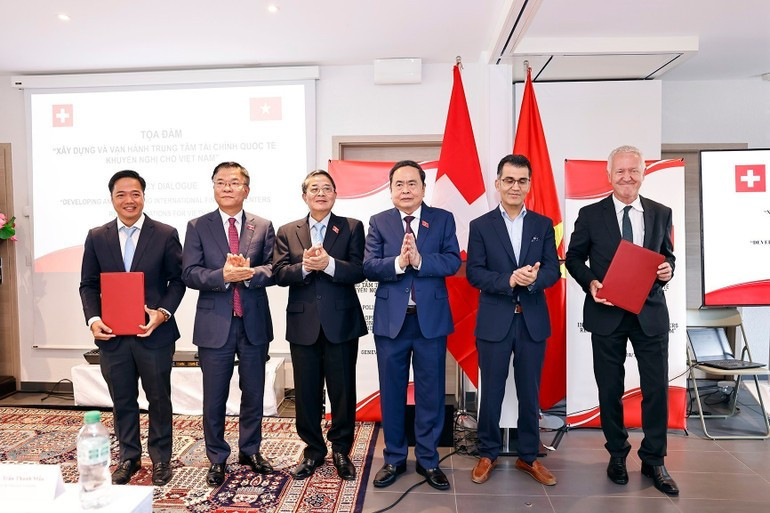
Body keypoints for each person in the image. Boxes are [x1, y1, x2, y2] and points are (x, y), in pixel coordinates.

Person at [565, 145, 678, 496]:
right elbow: (573, 259)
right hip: (607, 313)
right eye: (620, 171)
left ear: (643, 173)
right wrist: (591, 283)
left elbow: (667, 257)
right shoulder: (589, 213)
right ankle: (617, 454)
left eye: (634, 171)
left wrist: (667, 269)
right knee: (610, 390)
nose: (627, 177)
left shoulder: (661, 212)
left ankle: (654, 459)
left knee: (656, 390)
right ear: (609, 175)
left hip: (650, 314)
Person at [79, 170, 185, 487]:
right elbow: (87, 285)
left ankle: (161, 460)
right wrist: (93, 319)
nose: (129, 200)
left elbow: (178, 281)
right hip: (112, 336)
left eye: (135, 193)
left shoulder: (165, 233)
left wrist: (163, 313)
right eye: (122, 194)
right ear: (112, 198)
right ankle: (129, 457)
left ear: (143, 196)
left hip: (154, 334)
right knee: (122, 399)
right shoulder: (97, 236)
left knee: (159, 398)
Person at [363, 160, 461, 491]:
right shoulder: (379, 222)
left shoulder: (442, 220)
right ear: (391, 190)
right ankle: (393, 458)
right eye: (399, 184)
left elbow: (452, 260)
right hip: (392, 323)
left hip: (429, 322)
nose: (406, 190)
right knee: (391, 392)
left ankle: (428, 460)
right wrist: (398, 263)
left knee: (430, 392)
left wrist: (419, 260)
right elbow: (369, 266)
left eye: (412, 184)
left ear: (423, 188)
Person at [466, 154, 560, 486]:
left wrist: (532, 280)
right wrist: (509, 280)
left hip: (532, 321)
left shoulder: (543, 225)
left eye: (522, 181)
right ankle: (487, 453)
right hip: (495, 321)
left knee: (529, 391)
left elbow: (553, 269)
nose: (515, 186)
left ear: (529, 185)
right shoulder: (480, 226)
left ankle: (529, 456)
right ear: (498, 184)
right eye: (509, 180)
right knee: (490, 390)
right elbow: (474, 273)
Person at [182, 161, 276, 487]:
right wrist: (222, 276)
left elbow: (273, 269)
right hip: (214, 324)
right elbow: (190, 273)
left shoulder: (262, 226)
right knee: (214, 396)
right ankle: (217, 458)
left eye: (234, 182)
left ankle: (250, 450)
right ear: (213, 188)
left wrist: (248, 274)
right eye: (220, 182)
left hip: (253, 324)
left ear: (245, 189)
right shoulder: (197, 226)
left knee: (253, 392)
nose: (227, 187)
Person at [273, 170, 367, 481]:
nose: (321, 193)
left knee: (342, 391)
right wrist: (304, 267)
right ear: (304, 196)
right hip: (303, 323)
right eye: (314, 188)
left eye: (327, 188)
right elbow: (279, 273)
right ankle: (313, 450)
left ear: (335, 195)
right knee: (306, 391)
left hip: (341, 322)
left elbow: (359, 271)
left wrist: (329, 265)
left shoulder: (352, 227)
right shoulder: (288, 231)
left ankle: (341, 449)